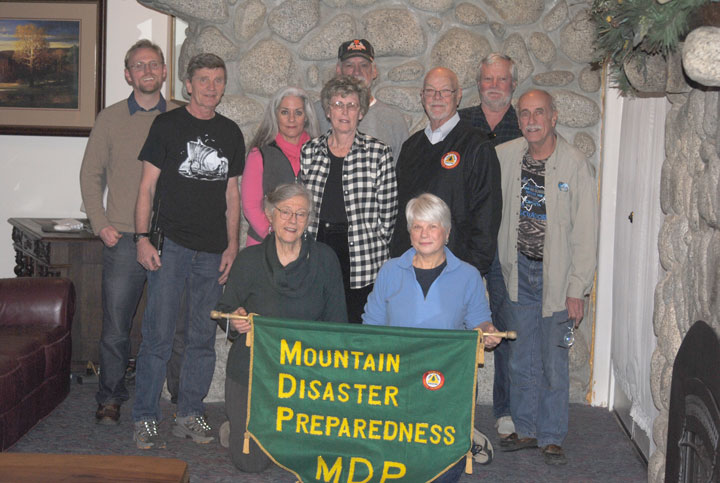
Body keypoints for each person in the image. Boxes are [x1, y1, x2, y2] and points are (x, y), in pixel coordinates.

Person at [132, 53, 245, 449]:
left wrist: (233, 244)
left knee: (201, 338)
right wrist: (142, 237)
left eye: (218, 79)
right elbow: (146, 186)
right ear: (188, 85)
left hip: (213, 251)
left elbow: (232, 194)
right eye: (203, 79)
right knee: (158, 338)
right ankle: (145, 417)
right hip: (170, 247)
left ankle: (190, 413)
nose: (211, 86)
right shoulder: (167, 125)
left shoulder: (231, 132)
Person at [363, 193, 501, 482]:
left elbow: (480, 321)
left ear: (447, 232)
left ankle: (460, 438)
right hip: (397, 377)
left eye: (433, 226)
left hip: (447, 378)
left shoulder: (469, 275)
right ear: (410, 232)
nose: (424, 234)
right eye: (417, 226)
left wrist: (488, 333)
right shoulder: (389, 271)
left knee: (441, 469)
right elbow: (371, 325)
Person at [215, 183, 348, 473]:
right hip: (253, 372)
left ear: (309, 219)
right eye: (285, 212)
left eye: (301, 214)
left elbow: (338, 324)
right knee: (250, 463)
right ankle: (237, 424)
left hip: (305, 374)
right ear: (269, 215)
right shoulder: (249, 260)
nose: (293, 220)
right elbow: (224, 311)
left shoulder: (325, 259)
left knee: (312, 462)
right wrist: (235, 320)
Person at [496, 89, 597, 465]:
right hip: (519, 270)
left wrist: (577, 289)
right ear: (518, 119)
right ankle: (525, 428)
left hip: (557, 277)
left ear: (554, 117)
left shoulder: (574, 164)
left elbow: (586, 233)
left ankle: (551, 434)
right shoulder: (505, 157)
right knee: (521, 355)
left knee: (554, 359)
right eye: (525, 114)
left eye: (539, 113)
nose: (532, 120)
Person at [80, 39, 179, 426]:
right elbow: (91, 174)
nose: (148, 71)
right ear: (127, 74)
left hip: (174, 241)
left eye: (154, 64)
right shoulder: (110, 118)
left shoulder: (182, 117)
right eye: (139, 65)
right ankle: (110, 398)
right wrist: (99, 222)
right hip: (122, 237)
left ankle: (164, 398)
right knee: (116, 329)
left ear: (165, 71)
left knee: (169, 326)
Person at [458, 53, 521, 439]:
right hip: (465, 244)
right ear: (478, 83)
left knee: (507, 324)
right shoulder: (461, 123)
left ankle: (506, 410)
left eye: (501, 79)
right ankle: (452, 404)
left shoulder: (525, 123)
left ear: (512, 84)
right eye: (486, 79)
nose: (494, 85)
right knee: (458, 326)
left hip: (509, 244)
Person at [302, 75, 397, 323]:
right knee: (321, 325)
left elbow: (388, 216)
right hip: (319, 248)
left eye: (352, 105)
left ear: (361, 112)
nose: (344, 111)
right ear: (327, 111)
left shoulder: (378, 153)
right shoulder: (310, 151)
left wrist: (371, 242)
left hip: (362, 253)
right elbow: (302, 206)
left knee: (358, 327)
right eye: (337, 104)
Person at [390, 67, 502, 278]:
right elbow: (400, 215)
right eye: (431, 91)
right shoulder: (410, 147)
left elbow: (487, 216)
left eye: (445, 91)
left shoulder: (477, 146)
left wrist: (472, 272)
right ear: (422, 97)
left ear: (458, 95)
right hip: (410, 270)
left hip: (455, 271)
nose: (437, 97)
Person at [241, 86, 319, 246]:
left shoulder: (319, 153)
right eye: (285, 112)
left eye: (298, 112)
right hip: (265, 244)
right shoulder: (259, 154)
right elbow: (250, 206)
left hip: (306, 246)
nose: (292, 119)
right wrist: (274, 235)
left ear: (306, 117)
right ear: (275, 115)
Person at [315, 39, 408, 162]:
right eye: (349, 65)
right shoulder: (318, 112)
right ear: (338, 70)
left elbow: (403, 171)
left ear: (374, 71)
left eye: (364, 65)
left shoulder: (393, 119)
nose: (357, 71)